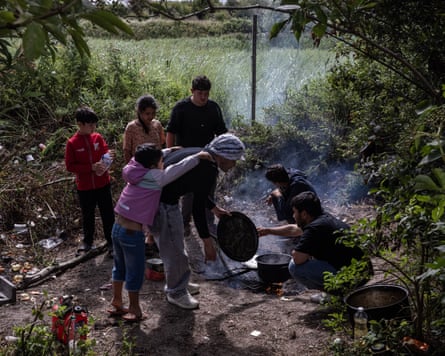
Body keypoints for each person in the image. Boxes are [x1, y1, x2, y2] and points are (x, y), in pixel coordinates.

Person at [108, 143, 211, 322]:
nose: (164, 163)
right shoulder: (154, 177)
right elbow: (176, 169)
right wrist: (196, 157)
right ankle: (135, 309)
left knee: (120, 267)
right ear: (154, 166)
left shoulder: (132, 168)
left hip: (117, 228)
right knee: (135, 272)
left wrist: (167, 151)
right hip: (132, 234)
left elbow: (141, 157)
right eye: (161, 161)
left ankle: (117, 301)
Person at [151, 133, 245, 310]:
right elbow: (197, 208)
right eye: (234, 160)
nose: (234, 165)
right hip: (160, 205)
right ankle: (176, 292)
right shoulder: (207, 166)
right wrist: (207, 243)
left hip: (163, 201)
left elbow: (195, 189)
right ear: (224, 156)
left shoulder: (201, 153)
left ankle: (180, 282)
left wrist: (215, 209)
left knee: (176, 246)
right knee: (174, 251)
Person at [257, 191, 370, 293]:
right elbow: (294, 229)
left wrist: (296, 252)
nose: (293, 216)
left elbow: (298, 258)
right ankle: (341, 290)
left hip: (352, 278)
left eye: (295, 212)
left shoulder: (314, 228)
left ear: (304, 214)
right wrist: (268, 231)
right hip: (364, 273)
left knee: (295, 267)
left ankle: (338, 292)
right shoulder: (323, 219)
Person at [166, 75, 228, 235]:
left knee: (208, 190)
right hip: (185, 158)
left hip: (208, 157)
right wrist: (170, 154)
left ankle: (209, 224)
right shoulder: (181, 108)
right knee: (188, 193)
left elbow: (221, 134)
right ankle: (185, 223)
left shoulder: (213, 108)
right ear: (192, 91)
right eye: (200, 93)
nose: (203, 97)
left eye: (206, 94)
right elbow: (171, 132)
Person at [65, 106, 115, 257]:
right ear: (80, 124)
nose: (93, 127)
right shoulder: (72, 143)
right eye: (90, 124)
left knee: (108, 214)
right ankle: (87, 242)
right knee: (88, 215)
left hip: (103, 183)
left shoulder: (97, 138)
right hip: (85, 186)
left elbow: (106, 153)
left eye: (94, 124)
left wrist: (108, 158)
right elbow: (70, 166)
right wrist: (90, 167)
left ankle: (112, 243)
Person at [122, 94, 166, 256]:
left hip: (155, 173)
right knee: (139, 208)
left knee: (155, 207)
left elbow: (161, 145)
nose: (150, 117)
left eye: (152, 113)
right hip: (139, 175)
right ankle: (136, 239)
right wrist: (131, 172)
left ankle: (151, 240)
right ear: (139, 112)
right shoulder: (131, 128)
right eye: (147, 113)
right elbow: (127, 151)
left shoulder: (157, 125)